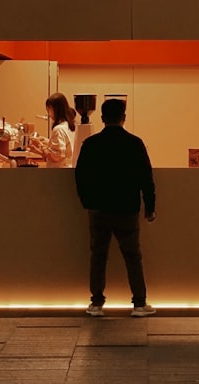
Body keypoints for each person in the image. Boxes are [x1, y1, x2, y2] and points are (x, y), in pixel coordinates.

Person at [74, 98, 156, 317]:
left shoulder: (90, 144)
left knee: (98, 255)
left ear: (102, 118)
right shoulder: (134, 143)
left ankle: (97, 303)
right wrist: (150, 206)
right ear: (124, 118)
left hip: (98, 208)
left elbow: (81, 176)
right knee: (132, 256)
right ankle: (139, 303)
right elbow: (145, 177)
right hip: (127, 207)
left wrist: (86, 201)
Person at [35, 92, 76, 168]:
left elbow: (56, 155)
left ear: (54, 109)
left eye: (48, 110)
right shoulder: (69, 125)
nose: (49, 114)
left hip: (59, 172)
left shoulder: (59, 129)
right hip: (69, 168)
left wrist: (41, 146)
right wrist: (47, 141)